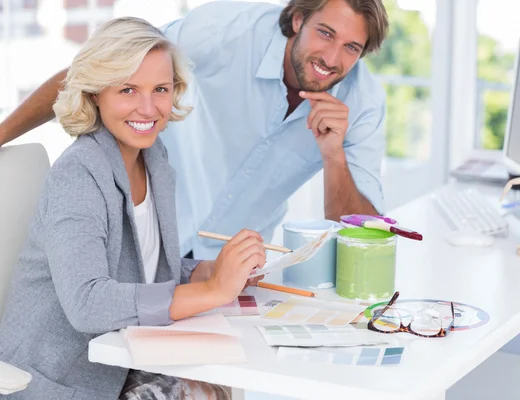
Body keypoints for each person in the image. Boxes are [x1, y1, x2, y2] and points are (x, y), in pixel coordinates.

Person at [0, 0, 390, 260]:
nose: (332, 58)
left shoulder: (363, 103)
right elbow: (96, 70)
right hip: (142, 235)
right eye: (325, 33)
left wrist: (333, 155)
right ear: (299, 20)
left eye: (352, 47)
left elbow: (363, 234)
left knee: (204, 383)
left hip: (228, 264)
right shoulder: (226, 31)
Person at [0, 17, 265, 399]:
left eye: (160, 88)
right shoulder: (79, 173)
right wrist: (210, 291)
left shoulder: (154, 158)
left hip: (121, 359)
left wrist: (210, 271)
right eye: (127, 89)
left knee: (219, 385)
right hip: (58, 381)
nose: (148, 108)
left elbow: (140, 269)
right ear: (95, 94)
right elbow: (88, 303)